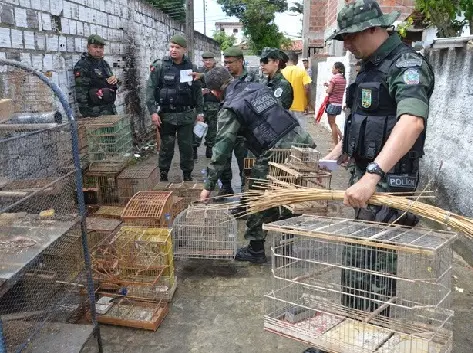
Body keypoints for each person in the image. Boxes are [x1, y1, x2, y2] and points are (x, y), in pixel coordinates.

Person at [304, 1, 435, 352]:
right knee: (357, 256)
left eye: (349, 36)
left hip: (389, 182)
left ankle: (371, 335)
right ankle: (352, 331)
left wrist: (374, 174)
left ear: (375, 29)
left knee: (375, 262)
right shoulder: (368, 68)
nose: (345, 43)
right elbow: (361, 124)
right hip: (364, 177)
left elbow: (411, 122)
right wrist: (335, 156)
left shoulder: (407, 65)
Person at [199, 67, 315, 263]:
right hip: (301, 141)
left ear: (215, 91)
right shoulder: (257, 87)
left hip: (277, 150)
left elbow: (222, 147)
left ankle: (255, 250)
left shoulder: (230, 107)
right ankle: (286, 247)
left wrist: (208, 186)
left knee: (256, 196)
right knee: (288, 194)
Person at [146, 34, 204, 182]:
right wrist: (153, 112)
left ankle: (187, 174)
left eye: (177, 47)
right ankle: (164, 174)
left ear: (184, 49)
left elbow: (197, 92)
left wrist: (200, 112)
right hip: (167, 115)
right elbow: (150, 90)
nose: (173, 50)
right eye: (171, 46)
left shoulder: (191, 68)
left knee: (187, 147)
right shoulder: (160, 66)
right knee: (166, 147)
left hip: (186, 115)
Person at [217, 46, 258, 195]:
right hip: (228, 130)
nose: (226, 66)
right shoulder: (225, 80)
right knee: (223, 160)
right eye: (225, 62)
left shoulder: (253, 79)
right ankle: (226, 187)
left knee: (246, 167)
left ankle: (245, 197)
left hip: (244, 132)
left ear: (240, 61)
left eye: (230, 62)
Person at [74, 34, 118, 118]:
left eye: (101, 47)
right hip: (95, 114)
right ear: (88, 47)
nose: (98, 50)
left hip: (109, 110)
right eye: (95, 47)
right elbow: (81, 92)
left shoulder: (104, 64)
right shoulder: (83, 66)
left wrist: (115, 80)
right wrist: (86, 115)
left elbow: (112, 85)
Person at [193, 51, 220, 159]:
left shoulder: (218, 71)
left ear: (214, 60)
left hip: (213, 104)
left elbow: (220, 85)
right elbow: (195, 87)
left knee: (212, 130)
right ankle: (194, 148)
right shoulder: (199, 72)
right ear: (203, 61)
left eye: (210, 60)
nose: (208, 62)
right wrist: (201, 90)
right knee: (198, 128)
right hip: (201, 105)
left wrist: (209, 90)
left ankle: (210, 150)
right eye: (205, 60)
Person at [281, 53, 312, 129]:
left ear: (286, 61)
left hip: (284, 106)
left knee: (286, 129)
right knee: (301, 130)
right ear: (297, 61)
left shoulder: (282, 72)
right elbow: (307, 88)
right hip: (299, 105)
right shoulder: (302, 71)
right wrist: (307, 103)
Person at [324, 61, 346, 149]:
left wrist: (327, 89)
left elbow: (329, 91)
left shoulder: (334, 78)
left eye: (333, 68)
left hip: (332, 103)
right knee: (333, 123)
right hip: (339, 104)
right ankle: (341, 137)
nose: (332, 70)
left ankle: (336, 145)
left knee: (332, 124)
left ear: (337, 69)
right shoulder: (343, 79)